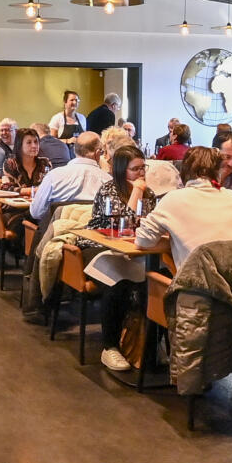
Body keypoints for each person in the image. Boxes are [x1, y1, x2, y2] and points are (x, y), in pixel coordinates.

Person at [84, 145, 152, 371]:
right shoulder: (109, 190)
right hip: (99, 246)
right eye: (135, 169)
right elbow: (122, 226)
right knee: (118, 284)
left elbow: (151, 225)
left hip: (133, 251)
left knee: (155, 283)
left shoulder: (149, 193)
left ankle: (147, 346)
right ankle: (109, 347)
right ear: (122, 171)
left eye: (143, 168)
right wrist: (136, 192)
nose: (141, 174)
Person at [134, 146, 232, 270]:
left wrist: (175, 242)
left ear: (184, 171)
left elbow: (142, 241)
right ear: (217, 172)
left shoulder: (174, 198)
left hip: (196, 280)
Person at [29, 132, 109, 225]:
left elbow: (36, 212)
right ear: (97, 153)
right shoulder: (107, 181)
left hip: (56, 232)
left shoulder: (53, 176)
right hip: (93, 232)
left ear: (74, 150)